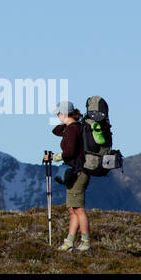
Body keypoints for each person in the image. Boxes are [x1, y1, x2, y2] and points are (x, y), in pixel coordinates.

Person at [51, 101, 90, 252]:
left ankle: (85, 243)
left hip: (78, 172)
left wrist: (57, 156)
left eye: (59, 113)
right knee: (73, 209)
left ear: (64, 113)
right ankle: (70, 241)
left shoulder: (73, 130)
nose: (57, 116)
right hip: (76, 172)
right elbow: (56, 131)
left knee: (79, 209)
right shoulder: (73, 127)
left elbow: (71, 151)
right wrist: (67, 122)